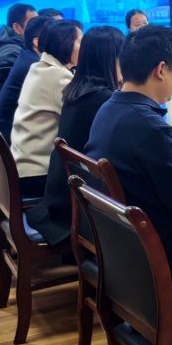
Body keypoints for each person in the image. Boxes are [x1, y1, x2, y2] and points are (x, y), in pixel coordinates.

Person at [85, 25, 172, 279]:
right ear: (161, 70)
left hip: (123, 244)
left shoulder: (108, 108)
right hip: (163, 254)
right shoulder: (152, 130)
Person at [32, 26, 124, 245]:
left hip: (59, 197)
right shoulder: (103, 100)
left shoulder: (77, 89)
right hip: (78, 209)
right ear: (110, 59)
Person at [11, 20, 82, 198]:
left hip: (20, 168)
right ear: (64, 44)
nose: (84, 47)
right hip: (38, 175)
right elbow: (80, 119)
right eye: (80, 41)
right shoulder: (58, 76)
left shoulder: (38, 67)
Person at [0, 4, 56, 122]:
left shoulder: (7, 47)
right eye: (32, 22)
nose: (37, 26)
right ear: (17, 27)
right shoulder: (15, 53)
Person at [0, 13, 58, 138]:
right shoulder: (35, 66)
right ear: (37, 42)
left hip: (6, 136)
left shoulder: (27, 56)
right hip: (10, 141)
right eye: (55, 38)